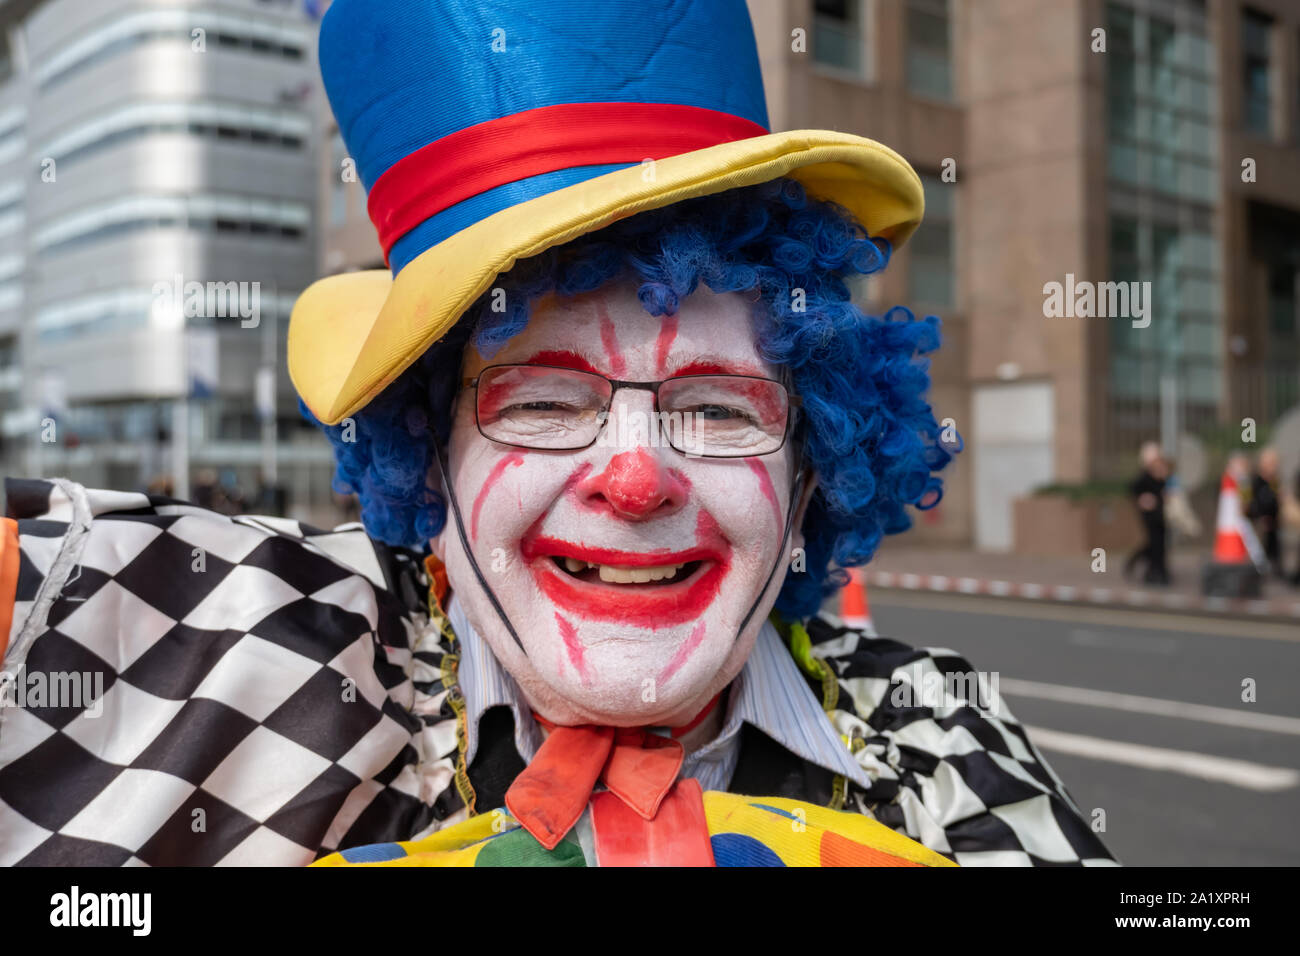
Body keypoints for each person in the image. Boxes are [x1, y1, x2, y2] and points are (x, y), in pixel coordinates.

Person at [0, 0, 1114, 867]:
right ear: (428, 448)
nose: (634, 478)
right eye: (541, 400)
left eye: (718, 407)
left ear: (813, 462)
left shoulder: (935, 738)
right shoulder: (229, 635)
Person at [1125, 441, 1170, 585]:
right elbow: (1134, 490)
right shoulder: (1143, 476)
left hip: (1161, 513)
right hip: (1150, 515)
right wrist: (1143, 499)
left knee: (1160, 543)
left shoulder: (1161, 472)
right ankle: (1154, 572)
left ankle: (1157, 571)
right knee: (1154, 543)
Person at [1246, 447, 1282, 577]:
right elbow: (1250, 503)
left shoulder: (1274, 481)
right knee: (1260, 545)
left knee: (1275, 543)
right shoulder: (1256, 481)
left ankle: (1275, 568)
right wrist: (1259, 516)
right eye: (1270, 463)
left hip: (1273, 520)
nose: (1274, 467)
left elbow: (1277, 499)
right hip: (1260, 520)